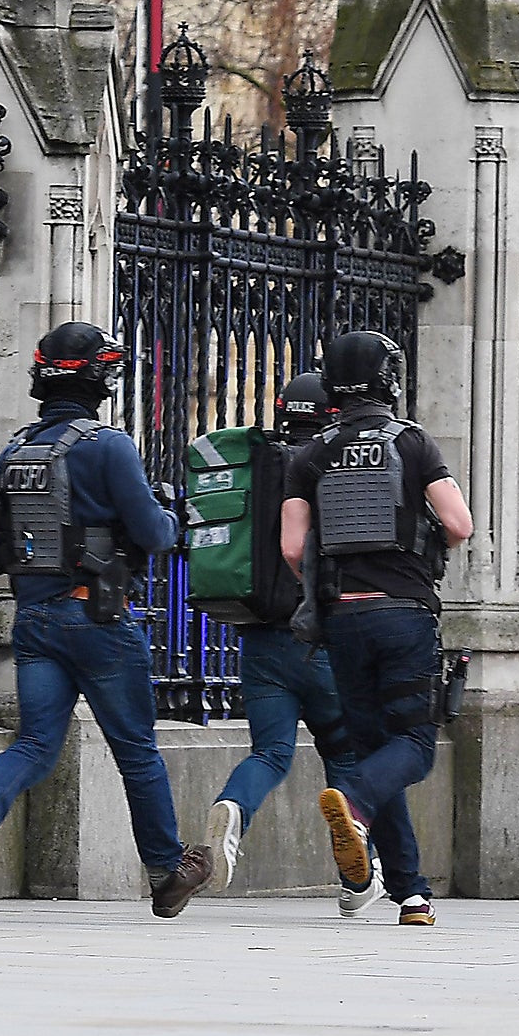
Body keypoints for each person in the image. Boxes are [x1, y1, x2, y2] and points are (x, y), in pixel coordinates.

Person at [0, 323, 211, 914]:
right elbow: (154, 535)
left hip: (33, 619)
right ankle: (166, 871)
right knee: (136, 750)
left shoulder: (15, 451)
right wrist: (170, 512)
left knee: (39, 740)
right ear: (99, 379)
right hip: (97, 620)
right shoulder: (107, 446)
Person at [281, 330, 473, 927]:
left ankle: (410, 893)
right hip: (404, 613)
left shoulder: (310, 454)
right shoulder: (412, 443)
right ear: (390, 378)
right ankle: (356, 804)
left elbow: (292, 547)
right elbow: (459, 524)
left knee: (372, 748)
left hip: (343, 619)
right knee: (413, 746)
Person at [200, 373, 370, 910]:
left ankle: (232, 809)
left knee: (270, 752)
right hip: (320, 637)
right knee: (342, 750)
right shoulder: (330, 463)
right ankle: (357, 877)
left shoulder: (261, 463)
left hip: (259, 637)